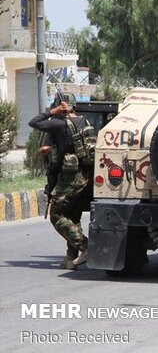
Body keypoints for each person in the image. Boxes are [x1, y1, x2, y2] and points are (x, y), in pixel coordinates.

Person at [29, 94, 95, 269]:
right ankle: (70, 258)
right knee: (72, 215)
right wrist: (51, 148)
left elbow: (34, 122)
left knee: (57, 215)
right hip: (84, 177)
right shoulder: (85, 122)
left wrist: (52, 112)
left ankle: (86, 247)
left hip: (70, 178)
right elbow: (71, 145)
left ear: (62, 106)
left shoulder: (58, 124)